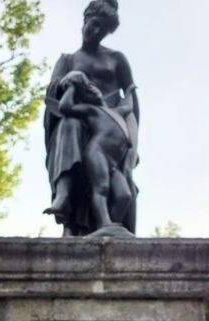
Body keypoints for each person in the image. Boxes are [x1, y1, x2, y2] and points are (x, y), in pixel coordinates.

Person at [43, 0, 139, 236]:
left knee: (123, 192)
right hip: (77, 119)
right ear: (85, 20)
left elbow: (131, 100)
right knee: (70, 124)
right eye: (94, 25)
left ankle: (110, 228)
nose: (96, 33)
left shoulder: (117, 59)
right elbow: (53, 98)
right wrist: (71, 82)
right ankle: (64, 194)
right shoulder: (67, 60)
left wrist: (125, 134)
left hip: (111, 127)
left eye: (103, 30)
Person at [56, 71, 135, 232]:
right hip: (97, 153)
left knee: (124, 195)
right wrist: (71, 87)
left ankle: (110, 226)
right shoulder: (91, 110)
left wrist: (129, 91)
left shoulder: (117, 112)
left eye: (92, 87)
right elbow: (65, 107)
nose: (91, 90)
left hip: (113, 162)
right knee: (102, 188)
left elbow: (128, 106)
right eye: (86, 90)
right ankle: (103, 224)